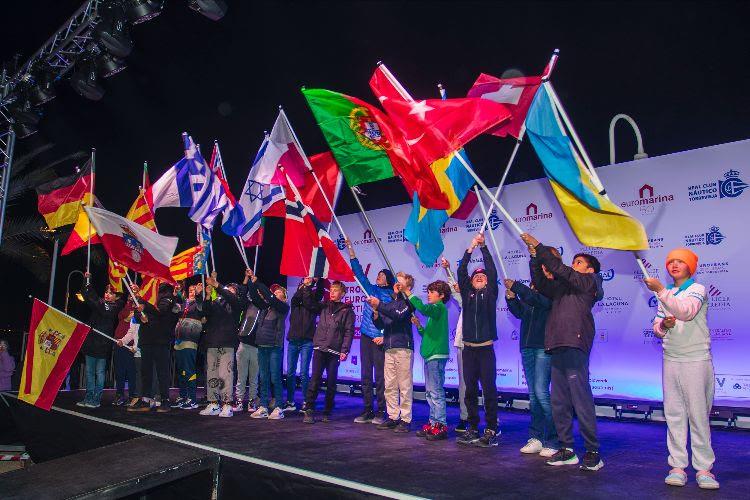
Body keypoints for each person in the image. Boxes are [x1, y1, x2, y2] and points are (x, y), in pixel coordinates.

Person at [522, 232, 604, 471]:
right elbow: (542, 283)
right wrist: (535, 258)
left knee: (581, 400)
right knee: (559, 401)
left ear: (589, 270)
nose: (573, 265)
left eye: (578, 262)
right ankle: (567, 448)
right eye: (574, 261)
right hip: (556, 345)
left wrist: (540, 246)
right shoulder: (563, 288)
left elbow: (561, 270)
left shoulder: (590, 282)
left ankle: (592, 451)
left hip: (575, 344)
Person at [645, 248, 719, 490]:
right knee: (674, 414)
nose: (674, 265)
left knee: (698, 415)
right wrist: (663, 326)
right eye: (671, 262)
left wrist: (661, 291)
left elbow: (686, 312)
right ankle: (677, 466)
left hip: (696, 359)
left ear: (690, 266)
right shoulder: (668, 293)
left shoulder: (697, 289)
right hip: (671, 359)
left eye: (680, 261)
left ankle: (704, 469)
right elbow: (657, 325)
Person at [505, 252, 558, 457]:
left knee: (542, 394)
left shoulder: (551, 289)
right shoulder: (532, 291)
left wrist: (518, 287)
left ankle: (553, 440)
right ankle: (536, 437)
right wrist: (511, 299)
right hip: (527, 346)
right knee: (534, 395)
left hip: (544, 346)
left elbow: (541, 302)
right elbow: (522, 313)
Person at [456, 233, 500, 448]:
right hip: (469, 350)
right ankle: (473, 427)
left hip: (485, 350)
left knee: (489, 389)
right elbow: (461, 272)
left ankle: (492, 427)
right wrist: (469, 249)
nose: (480, 277)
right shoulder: (467, 294)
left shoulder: (491, 293)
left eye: (482, 276)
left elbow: (491, 269)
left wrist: (483, 248)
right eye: (476, 276)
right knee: (470, 390)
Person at [346, 238, 394, 425]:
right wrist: (351, 252)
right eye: (378, 274)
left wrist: (383, 335)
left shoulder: (391, 295)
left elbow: (392, 319)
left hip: (380, 338)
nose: (379, 276)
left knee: (380, 377)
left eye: (382, 275)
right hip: (366, 336)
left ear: (388, 279)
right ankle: (367, 410)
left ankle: (381, 411)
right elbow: (359, 274)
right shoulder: (371, 289)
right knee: (365, 375)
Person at [368, 272, 415, 434]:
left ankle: (405, 419)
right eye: (396, 282)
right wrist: (375, 312)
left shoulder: (409, 303)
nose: (397, 284)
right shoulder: (392, 303)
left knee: (404, 385)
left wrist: (379, 305)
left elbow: (397, 316)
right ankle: (393, 416)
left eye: (400, 282)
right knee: (390, 385)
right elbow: (383, 322)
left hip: (402, 347)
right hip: (389, 347)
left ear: (407, 287)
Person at [406, 279, 452, 441]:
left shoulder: (438, 308)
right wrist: (419, 325)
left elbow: (424, 308)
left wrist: (409, 293)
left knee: (436, 391)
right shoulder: (435, 313)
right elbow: (427, 335)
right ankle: (433, 423)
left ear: (441, 295)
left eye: (432, 292)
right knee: (430, 392)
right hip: (430, 355)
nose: (429, 294)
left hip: (436, 356)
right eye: (428, 292)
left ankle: (440, 425)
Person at [303, 281, 355, 424]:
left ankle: (327, 411)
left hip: (334, 350)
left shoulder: (347, 311)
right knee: (315, 379)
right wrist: (307, 287)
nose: (332, 292)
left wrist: (345, 350)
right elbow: (309, 304)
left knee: (331, 382)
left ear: (342, 293)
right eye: (331, 289)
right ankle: (309, 409)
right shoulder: (324, 306)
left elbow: (349, 332)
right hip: (320, 347)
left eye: (336, 290)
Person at [125, 283, 180, 413]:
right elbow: (138, 314)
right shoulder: (147, 294)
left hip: (162, 339)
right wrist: (140, 316)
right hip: (146, 339)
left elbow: (162, 310)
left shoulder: (168, 294)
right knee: (146, 372)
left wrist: (145, 306)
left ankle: (164, 400)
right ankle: (145, 399)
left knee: (162, 372)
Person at [199, 271, 245, 418]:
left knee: (226, 374)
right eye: (227, 288)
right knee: (212, 373)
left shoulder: (236, 304)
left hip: (227, 341)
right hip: (212, 341)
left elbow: (230, 297)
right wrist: (207, 295)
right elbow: (205, 312)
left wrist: (217, 285)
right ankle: (213, 403)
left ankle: (227, 404)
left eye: (232, 289)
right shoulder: (217, 301)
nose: (228, 291)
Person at [245, 271, 290, 420]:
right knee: (263, 377)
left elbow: (269, 297)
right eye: (275, 292)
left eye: (279, 293)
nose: (275, 294)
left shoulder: (283, 307)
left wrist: (258, 282)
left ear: (284, 297)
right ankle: (263, 406)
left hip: (274, 347)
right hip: (262, 345)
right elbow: (256, 297)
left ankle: (278, 406)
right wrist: (251, 282)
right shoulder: (266, 307)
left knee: (275, 377)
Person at [77, 275, 124, 409]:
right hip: (91, 343)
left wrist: (90, 288)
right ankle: (89, 396)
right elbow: (88, 297)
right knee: (89, 373)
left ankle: (97, 399)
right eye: (106, 292)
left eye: (111, 293)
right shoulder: (100, 303)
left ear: (117, 296)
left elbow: (96, 302)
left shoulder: (115, 306)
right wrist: (87, 281)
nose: (108, 295)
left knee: (100, 373)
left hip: (103, 345)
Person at [283, 277, 323, 412]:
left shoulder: (314, 305)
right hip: (293, 340)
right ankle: (290, 401)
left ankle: (307, 401)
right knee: (290, 373)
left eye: (307, 285)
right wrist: (303, 286)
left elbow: (313, 297)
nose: (304, 286)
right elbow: (295, 298)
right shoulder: (295, 303)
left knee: (304, 373)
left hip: (307, 340)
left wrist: (311, 284)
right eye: (302, 283)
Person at [441, 257, 469, 432]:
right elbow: (456, 289)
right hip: (463, 344)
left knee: (484, 385)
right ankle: (465, 418)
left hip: (481, 345)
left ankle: (491, 423)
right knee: (464, 384)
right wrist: (448, 270)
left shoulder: (485, 297)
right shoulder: (465, 301)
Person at [171, 283, 205, 410]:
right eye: (190, 291)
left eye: (194, 291)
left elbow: (202, 308)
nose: (192, 292)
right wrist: (175, 294)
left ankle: (192, 398)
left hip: (190, 340)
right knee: (181, 370)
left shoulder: (199, 304)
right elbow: (173, 309)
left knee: (189, 369)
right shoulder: (183, 304)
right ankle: (183, 395)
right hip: (178, 341)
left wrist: (199, 293)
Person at [234, 270, 261, 414]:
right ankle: (239, 401)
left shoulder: (264, 307)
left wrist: (255, 283)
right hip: (243, 344)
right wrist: (246, 278)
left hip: (257, 348)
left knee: (254, 378)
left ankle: (252, 401)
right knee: (241, 376)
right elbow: (242, 293)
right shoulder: (247, 305)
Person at [113, 283, 140, 406]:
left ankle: (133, 395)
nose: (132, 294)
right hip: (120, 341)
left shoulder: (139, 308)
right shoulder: (127, 305)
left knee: (131, 371)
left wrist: (127, 317)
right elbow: (121, 316)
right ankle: (119, 394)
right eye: (130, 291)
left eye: (135, 291)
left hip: (131, 345)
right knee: (119, 370)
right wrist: (128, 308)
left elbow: (129, 319)